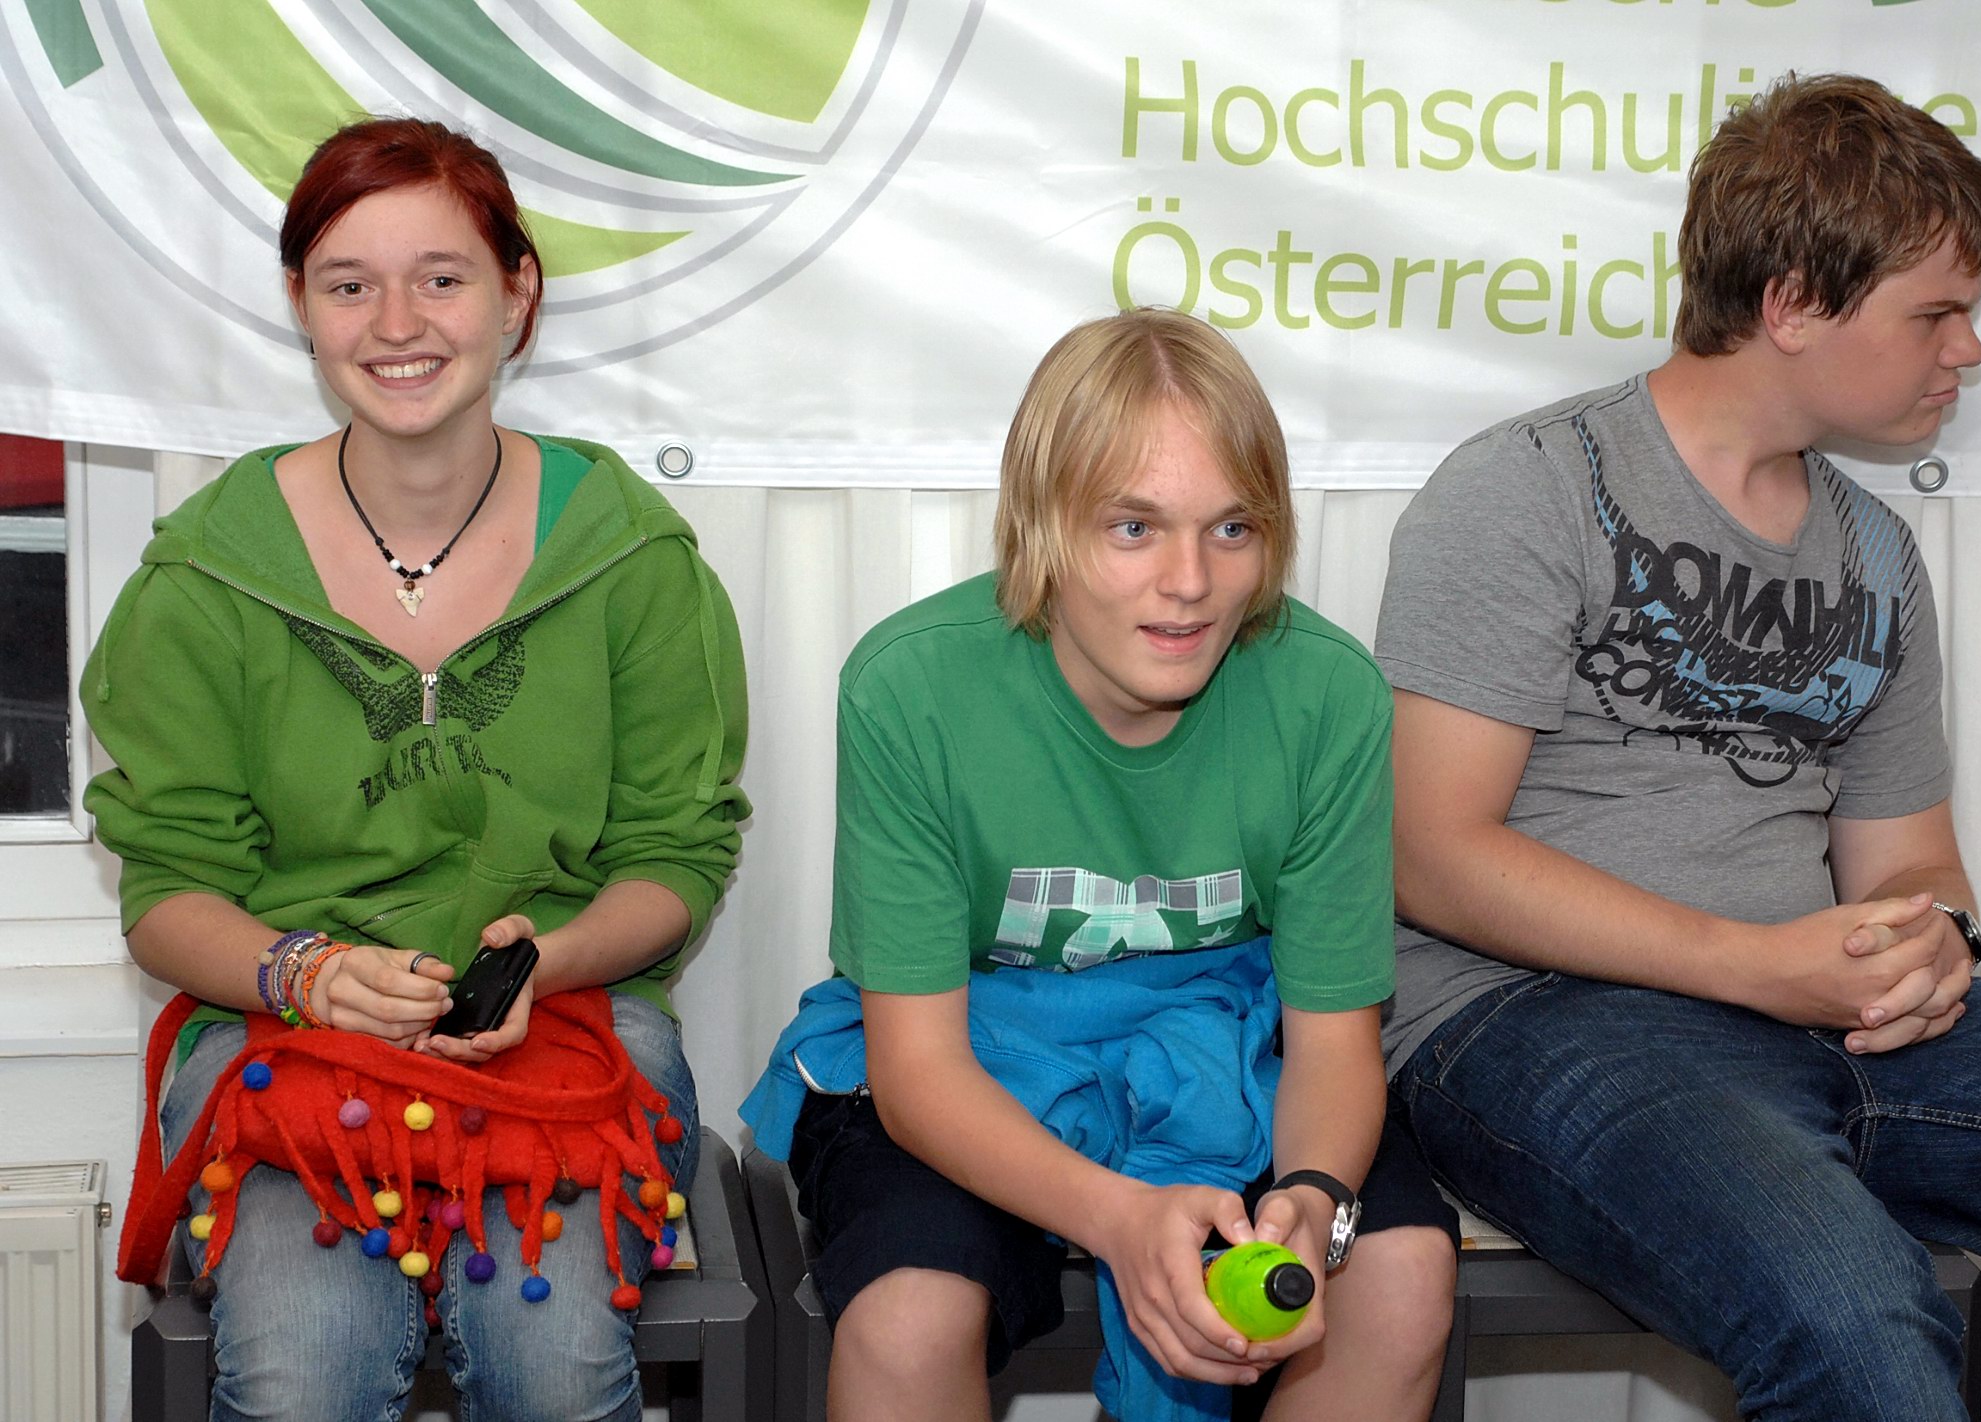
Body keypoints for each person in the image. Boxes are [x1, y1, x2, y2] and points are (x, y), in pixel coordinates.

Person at [1374, 71, 1981, 1421]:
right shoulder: (1527, 485)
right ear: (1792, 304)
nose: (1968, 350)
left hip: (1831, 1020)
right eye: (1937, 313)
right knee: (1856, 1316)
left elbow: (1910, 863)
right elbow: (1427, 856)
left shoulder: (1878, 553)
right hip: (1534, 1020)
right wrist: (1755, 967)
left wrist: (1933, 942)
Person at [85, 117, 748, 1422]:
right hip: (281, 1036)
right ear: (301, 305)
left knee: (552, 1364)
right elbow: (168, 893)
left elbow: (678, 856)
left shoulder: (633, 558)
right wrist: (306, 972)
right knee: (301, 1371)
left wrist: (548, 958)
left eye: (442, 277)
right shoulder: (206, 575)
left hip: (569, 1024)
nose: (398, 323)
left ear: (518, 294)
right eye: (350, 284)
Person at [742, 308, 1455, 1422]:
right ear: (1040, 527)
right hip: (972, 1059)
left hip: (1228, 1047)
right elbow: (920, 1070)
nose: (1190, 580)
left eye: (1231, 528)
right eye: (1134, 527)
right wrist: (1120, 1219)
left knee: (1400, 1279)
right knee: (909, 1317)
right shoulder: (911, 688)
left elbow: (1332, 1042)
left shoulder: (1326, 693)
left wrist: (1312, 1205)